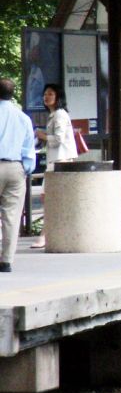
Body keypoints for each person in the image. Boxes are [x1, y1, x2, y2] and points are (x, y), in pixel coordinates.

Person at [31, 83, 77, 248]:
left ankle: (44, 235)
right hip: (55, 161)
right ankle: (48, 234)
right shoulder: (54, 115)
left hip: (60, 162)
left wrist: (42, 135)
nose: (46, 97)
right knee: (49, 198)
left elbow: (58, 139)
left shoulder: (59, 115)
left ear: (58, 97)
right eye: (45, 94)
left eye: (51, 94)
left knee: (49, 198)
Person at [0, 78, 35, 272]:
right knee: (11, 216)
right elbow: (28, 148)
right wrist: (26, 168)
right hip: (15, 168)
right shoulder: (23, 117)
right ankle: (6, 260)